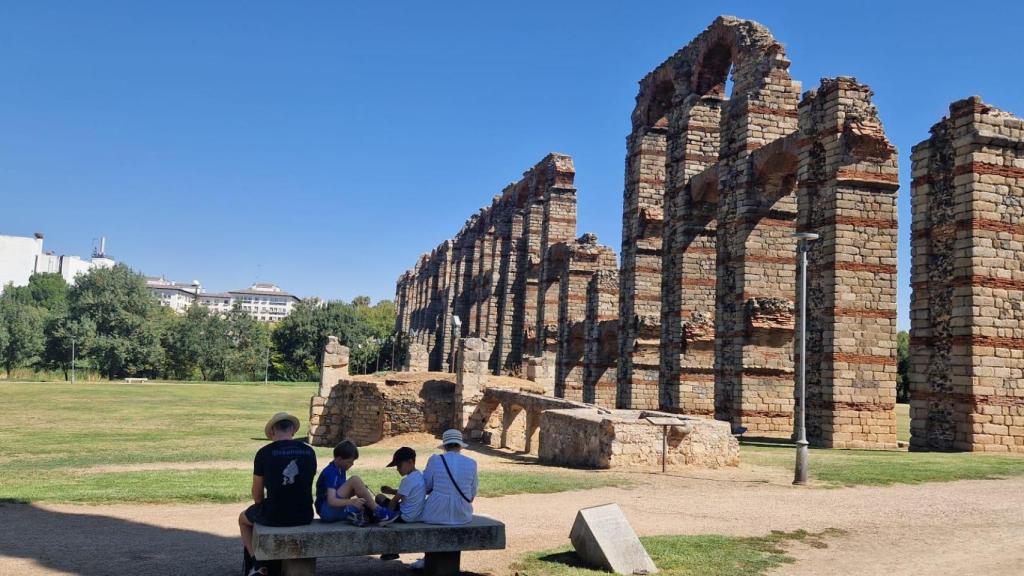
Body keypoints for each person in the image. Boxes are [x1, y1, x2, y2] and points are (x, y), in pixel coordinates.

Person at [239, 412, 317, 576]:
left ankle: (256, 563)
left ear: (273, 432)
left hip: (275, 515)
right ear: (293, 431)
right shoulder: (309, 452)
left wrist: (260, 505)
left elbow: (258, 495)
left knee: (243, 519)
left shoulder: (264, 453)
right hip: (304, 514)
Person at [317, 439, 399, 526]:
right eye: (349, 462)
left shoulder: (341, 469)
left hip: (332, 510)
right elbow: (331, 501)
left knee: (362, 504)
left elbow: (341, 493)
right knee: (355, 480)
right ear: (339, 459)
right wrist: (351, 502)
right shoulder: (331, 472)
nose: (352, 464)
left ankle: (366, 516)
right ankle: (381, 513)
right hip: (326, 511)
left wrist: (361, 491)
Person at [375, 446, 426, 561]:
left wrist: (387, 516)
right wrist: (392, 491)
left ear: (410, 462)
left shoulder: (406, 480)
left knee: (379, 498)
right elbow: (408, 492)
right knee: (382, 498)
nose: (397, 469)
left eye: (399, 465)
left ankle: (389, 549)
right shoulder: (419, 476)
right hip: (415, 515)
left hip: (404, 516)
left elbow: (394, 501)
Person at [421, 429, 478, 526]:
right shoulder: (471, 463)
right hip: (463, 515)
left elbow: (426, 487)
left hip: (435, 514)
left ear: (445, 446)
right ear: (460, 445)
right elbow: (472, 494)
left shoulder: (435, 460)